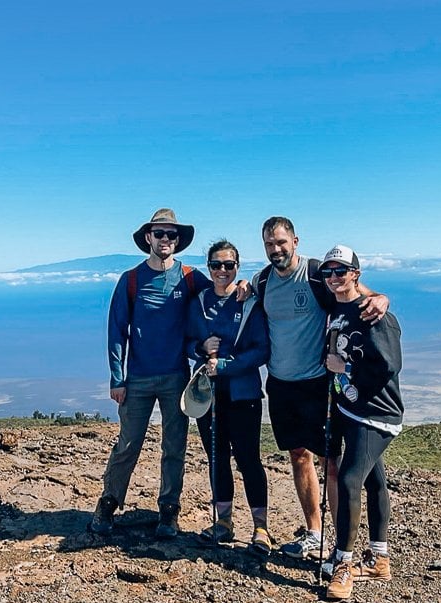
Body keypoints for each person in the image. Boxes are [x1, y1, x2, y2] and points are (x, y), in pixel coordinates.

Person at [254, 217, 387, 558]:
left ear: (295, 241)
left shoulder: (315, 275)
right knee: (298, 455)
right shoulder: (263, 281)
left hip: (316, 383)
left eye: (281, 242)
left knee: (331, 460)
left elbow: (351, 296)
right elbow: (241, 296)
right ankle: (314, 532)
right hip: (280, 385)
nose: (276, 249)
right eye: (270, 244)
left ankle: (343, 543)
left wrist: (380, 298)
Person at [89, 209, 212, 539]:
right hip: (138, 379)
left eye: (171, 235)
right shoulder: (131, 280)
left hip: (176, 377)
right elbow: (117, 330)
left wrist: (244, 287)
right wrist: (117, 377)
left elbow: (218, 296)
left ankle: (169, 511)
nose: (165, 240)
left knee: (174, 447)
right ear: (148, 238)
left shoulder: (190, 277)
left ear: (177, 240)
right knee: (128, 444)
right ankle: (108, 502)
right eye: (160, 234)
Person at [315, 245, 404, 601]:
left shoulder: (373, 314)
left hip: (376, 413)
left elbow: (388, 366)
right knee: (374, 480)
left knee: (351, 479)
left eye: (341, 271)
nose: (334, 278)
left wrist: (345, 369)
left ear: (356, 274)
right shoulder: (337, 307)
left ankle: (343, 565)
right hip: (350, 410)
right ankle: (380, 560)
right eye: (328, 272)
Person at [185, 239, 272, 553]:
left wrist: (225, 365)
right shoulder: (198, 301)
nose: (222, 271)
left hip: (243, 393)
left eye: (229, 265)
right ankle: (223, 523)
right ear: (208, 268)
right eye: (216, 265)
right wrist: (200, 348)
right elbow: (188, 341)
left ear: (238, 267)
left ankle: (261, 529)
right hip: (208, 393)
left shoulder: (248, 301)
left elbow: (262, 349)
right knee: (217, 458)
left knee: (249, 460)